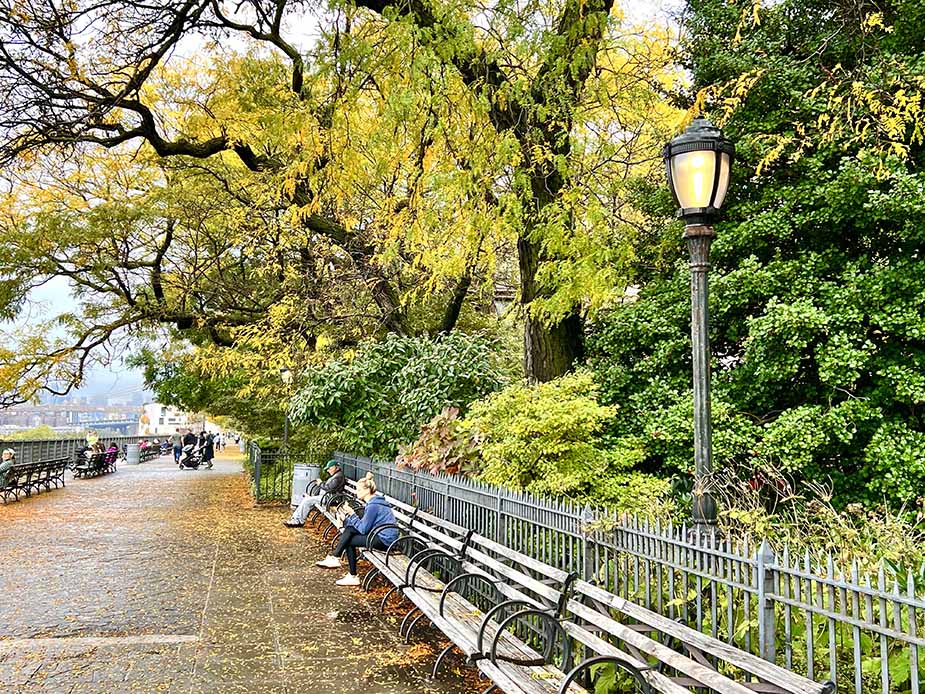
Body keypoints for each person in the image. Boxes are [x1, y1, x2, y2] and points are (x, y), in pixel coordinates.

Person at [316, 473, 399, 586]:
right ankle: (337, 559)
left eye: (359, 490)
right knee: (349, 530)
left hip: (385, 540)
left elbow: (363, 529)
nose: (356, 492)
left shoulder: (373, 506)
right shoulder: (373, 503)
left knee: (349, 541)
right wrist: (346, 520)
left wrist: (352, 514)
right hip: (378, 534)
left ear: (367, 490)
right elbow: (362, 525)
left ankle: (348, 570)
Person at [283, 460, 346, 528]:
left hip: (330, 499)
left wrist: (320, 483)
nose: (328, 470)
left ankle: (298, 521)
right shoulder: (336, 475)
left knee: (307, 501)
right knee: (306, 499)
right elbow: (329, 487)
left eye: (329, 468)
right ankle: (295, 519)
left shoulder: (338, 476)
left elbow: (330, 488)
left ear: (335, 467)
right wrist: (321, 484)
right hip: (326, 497)